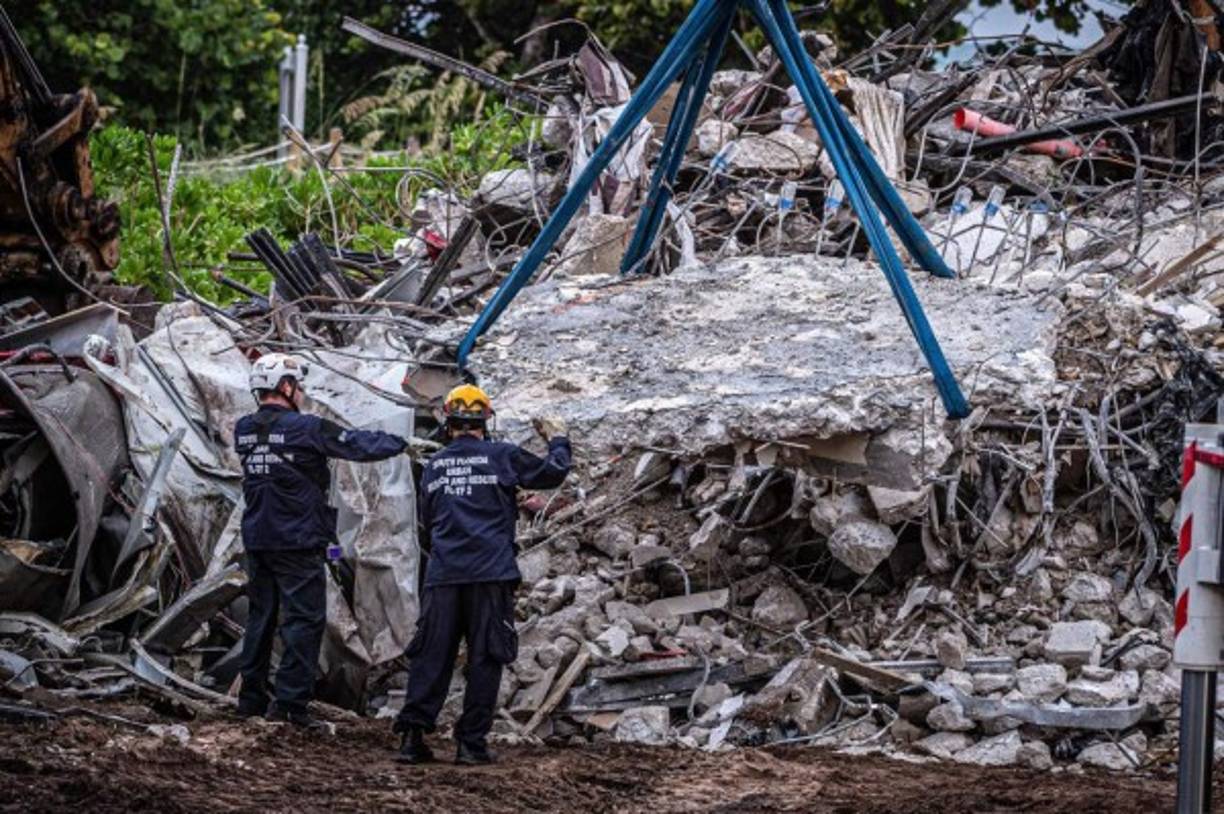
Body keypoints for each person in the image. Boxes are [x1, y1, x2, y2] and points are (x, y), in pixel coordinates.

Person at [394, 383, 571, 765]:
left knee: (431, 656)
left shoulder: (434, 466)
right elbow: (553, 473)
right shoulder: (502, 455)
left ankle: (412, 738)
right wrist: (558, 440)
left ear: (448, 421)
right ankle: (471, 745)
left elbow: (428, 520)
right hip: (490, 573)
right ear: (484, 421)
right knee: (486, 657)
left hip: (444, 574)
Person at [234, 353, 409, 727]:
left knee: (261, 618)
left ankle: (250, 701)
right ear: (286, 386)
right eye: (297, 385)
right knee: (304, 620)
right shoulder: (305, 428)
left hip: (258, 538)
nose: (301, 392)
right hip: (296, 540)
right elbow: (355, 444)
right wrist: (401, 442)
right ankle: (290, 706)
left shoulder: (244, 429)